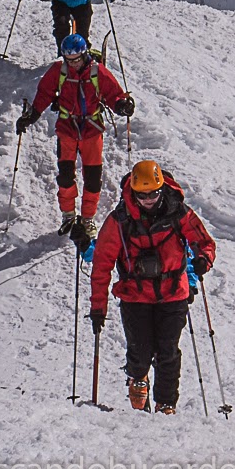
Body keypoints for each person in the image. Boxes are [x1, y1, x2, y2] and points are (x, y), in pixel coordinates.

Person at [88, 160, 216, 415]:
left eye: (153, 194)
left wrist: (204, 259)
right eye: (142, 195)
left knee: (168, 351)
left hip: (173, 293)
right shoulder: (119, 221)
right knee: (140, 350)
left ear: (161, 189)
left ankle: (166, 404)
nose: (148, 200)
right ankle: (137, 378)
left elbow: (204, 242)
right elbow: (102, 265)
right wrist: (98, 308)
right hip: (135, 296)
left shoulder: (178, 212)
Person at [15, 34, 135, 244]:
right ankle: (68, 216)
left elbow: (113, 94)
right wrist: (31, 116)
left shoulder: (97, 72)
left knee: (92, 178)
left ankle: (87, 218)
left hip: (91, 129)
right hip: (67, 128)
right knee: (65, 176)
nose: (73, 64)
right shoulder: (59, 71)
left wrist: (122, 105)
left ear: (85, 54)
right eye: (69, 60)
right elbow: (44, 94)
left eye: (77, 59)